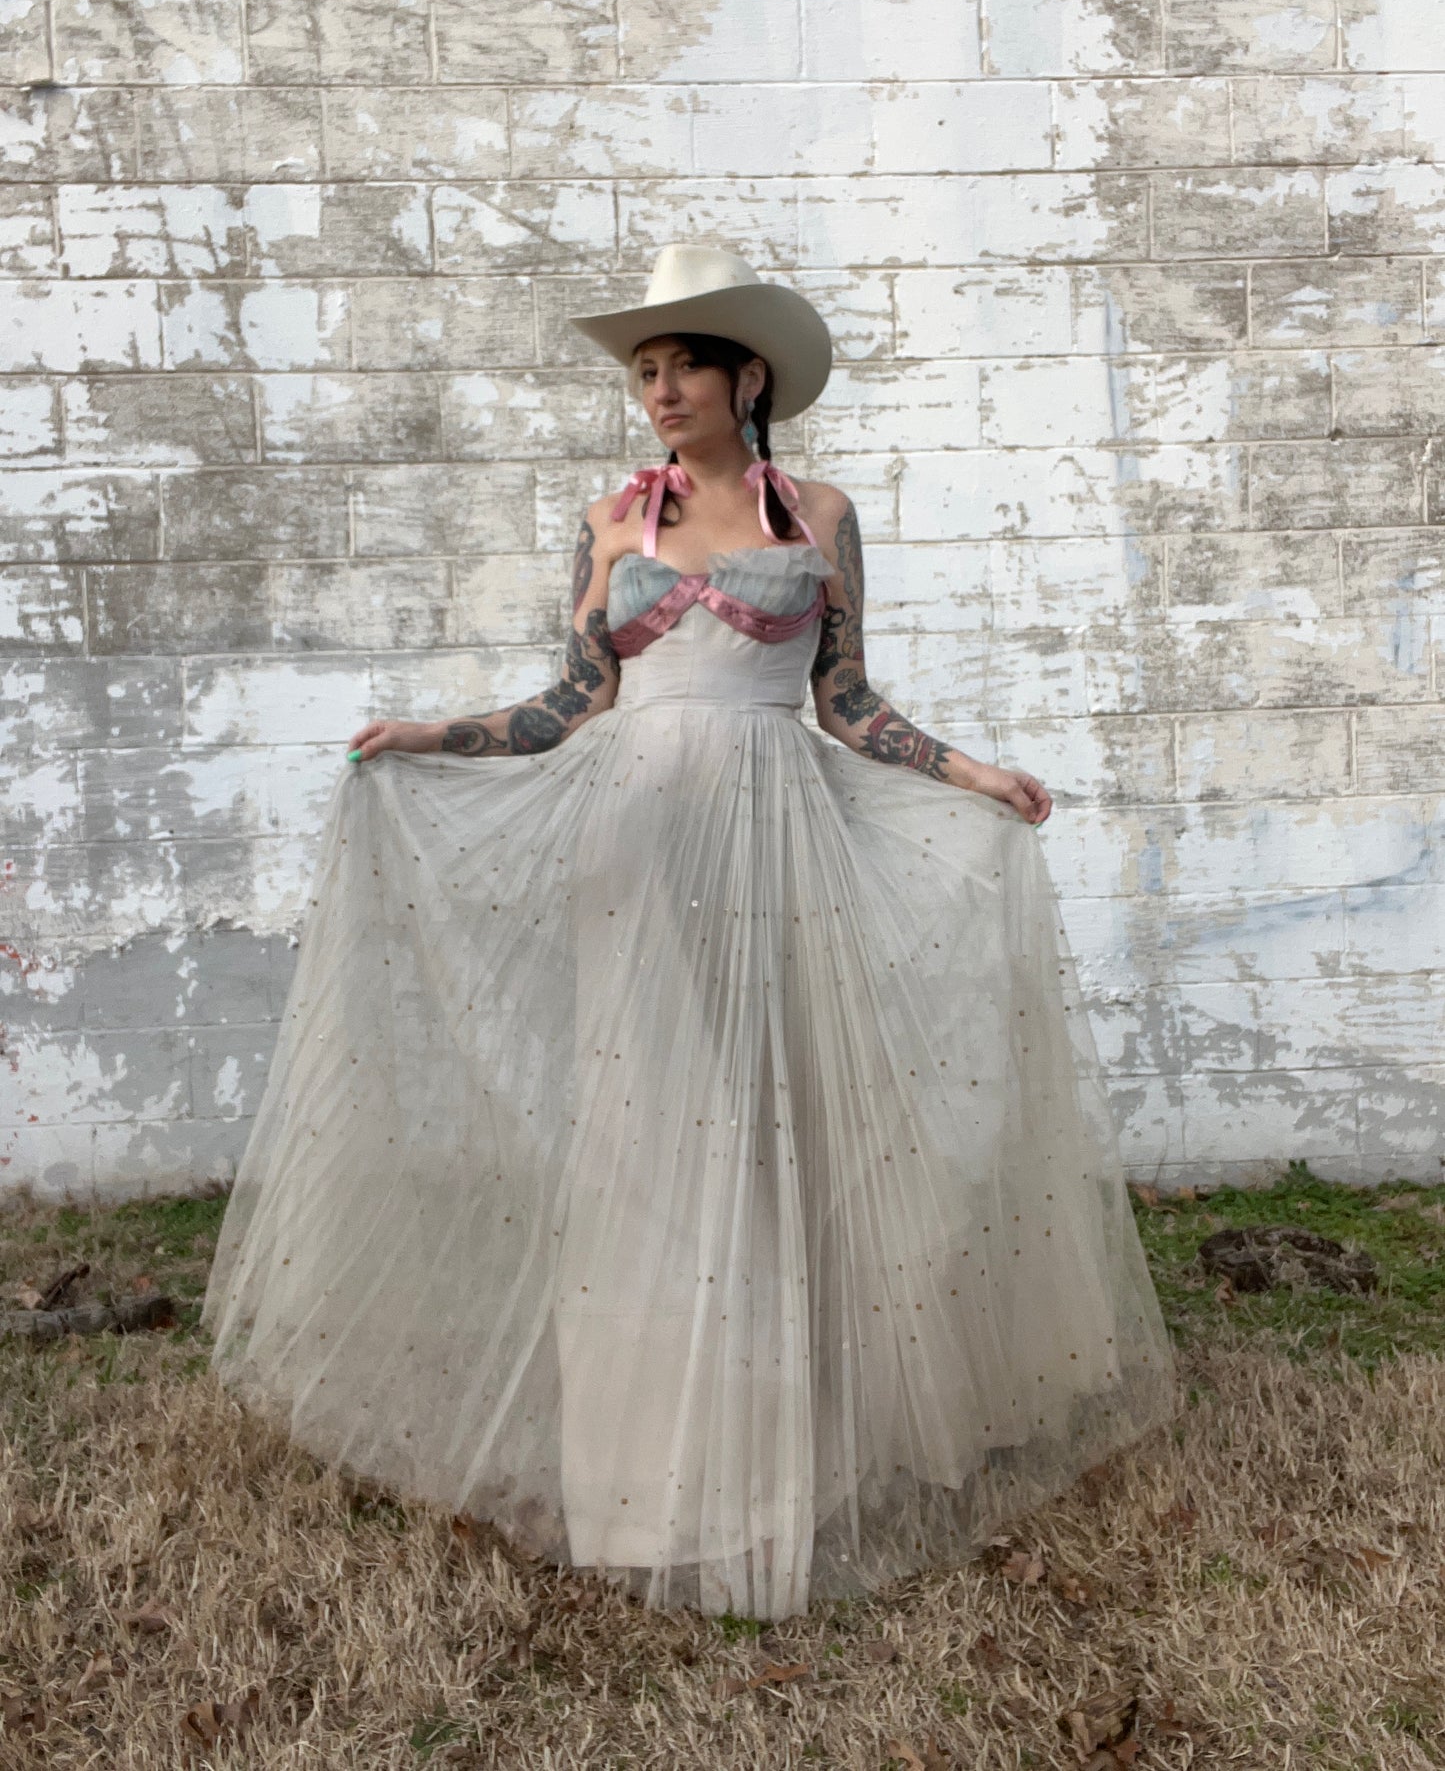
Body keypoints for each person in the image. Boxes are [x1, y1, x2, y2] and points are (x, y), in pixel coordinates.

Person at [202, 243, 1176, 1622]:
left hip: (776, 841)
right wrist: (433, 736)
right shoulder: (611, 519)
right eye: (642, 372)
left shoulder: (819, 514)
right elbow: (567, 706)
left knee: (771, 1130)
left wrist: (971, 777)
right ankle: (646, 1482)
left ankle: (780, 1464)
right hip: (633, 842)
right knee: (653, 1137)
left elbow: (848, 702)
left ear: (747, 376)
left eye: (679, 367)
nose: (656, 392)